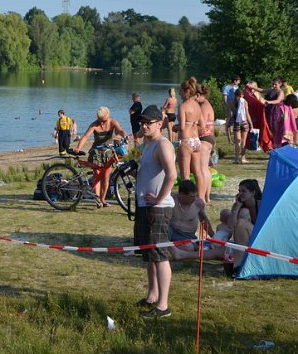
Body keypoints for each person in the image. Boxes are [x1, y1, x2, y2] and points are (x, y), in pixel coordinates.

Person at [133, 104, 177, 319]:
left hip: (158, 209)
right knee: (149, 254)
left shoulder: (163, 144)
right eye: (142, 122)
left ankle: (163, 305)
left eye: (148, 123)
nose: (144, 126)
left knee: (159, 255)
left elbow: (172, 175)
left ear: (159, 124)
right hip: (145, 207)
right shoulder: (148, 144)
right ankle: (152, 295)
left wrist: (159, 199)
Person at [72, 106, 127, 208]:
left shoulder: (112, 122)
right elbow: (85, 137)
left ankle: (103, 199)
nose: (101, 123)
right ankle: (97, 199)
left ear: (108, 116)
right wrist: (78, 148)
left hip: (108, 152)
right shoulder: (94, 125)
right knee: (98, 177)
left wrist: (124, 136)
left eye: (103, 120)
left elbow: (120, 130)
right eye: (99, 120)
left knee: (106, 178)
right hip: (96, 152)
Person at [167, 181, 212, 259]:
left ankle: (169, 248)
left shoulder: (198, 203)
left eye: (195, 196)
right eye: (191, 196)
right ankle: (169, 247)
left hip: (187, 235)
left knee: (189, 248)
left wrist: (213, 237)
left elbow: (204, 221)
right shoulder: (171, 199)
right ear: (181, 194)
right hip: (171, 231)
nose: (194, 199)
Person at [226, 179, 263, 274]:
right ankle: (238, 265)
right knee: (241, 216)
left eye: (243, 191)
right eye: (239, 191)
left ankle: (238, 266)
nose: (240, 194)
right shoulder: (240, 206)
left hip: (261, 238)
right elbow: (230, 226)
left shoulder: (261, 204)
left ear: (253, 193)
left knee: (241, 222)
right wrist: (236, 207)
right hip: (245, 241)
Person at [177, 77, 205, 200]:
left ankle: (186, 198)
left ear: (186, 91)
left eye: (180, 91)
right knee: (198, 172)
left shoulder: (183, 106)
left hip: (186, 141)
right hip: (196, 141)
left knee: (185, 175)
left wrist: (174, 127)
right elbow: (202, 125)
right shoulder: (198, 106)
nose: (179, 93)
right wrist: (192, 124)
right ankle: (201, 198)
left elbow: (182, 127)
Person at [195, 85, 216, 203]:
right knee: (206, 169)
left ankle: (203, 196)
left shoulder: (203, 106)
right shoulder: (208, 104)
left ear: (199, 95)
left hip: (204, 137)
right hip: (210, 137)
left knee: (202, 168)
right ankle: (207, 196)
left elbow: (201, 125)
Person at [231, 88, 253, 164]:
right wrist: (251, 124)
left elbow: (233, 114)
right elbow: (247, 114)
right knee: (243, 141)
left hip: (237, 122)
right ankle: (243, 158)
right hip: (244, 122)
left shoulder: (232, 103)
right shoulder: (245, 102)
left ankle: (237, 158)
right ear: (242, 95)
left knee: (237, 142)